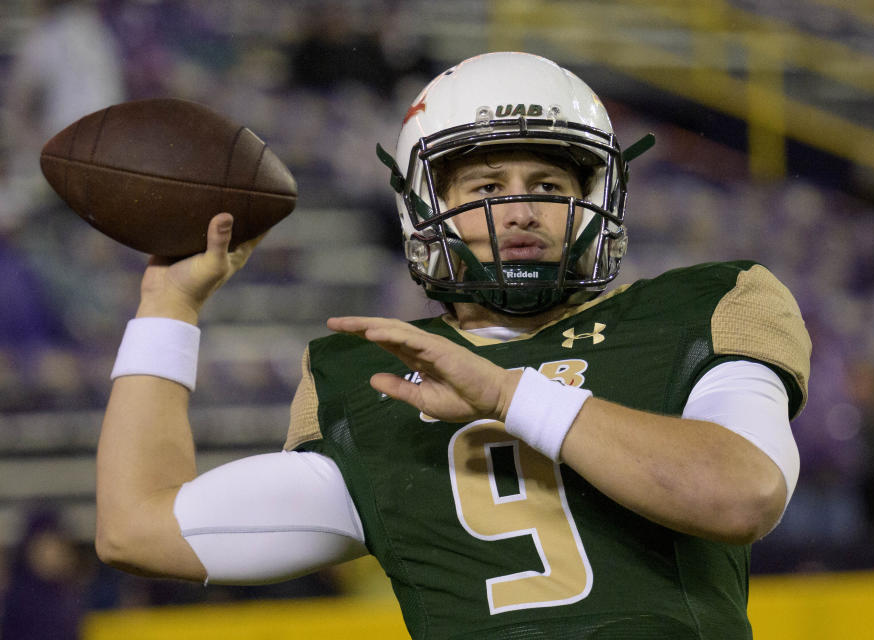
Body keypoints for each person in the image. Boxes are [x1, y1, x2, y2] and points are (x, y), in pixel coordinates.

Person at [95, 52, 810, 639]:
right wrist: (169, 305)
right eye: (489, 187)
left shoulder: (701, 308)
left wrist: (507, 392)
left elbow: (742, 494)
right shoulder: (368, 380)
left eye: (550, 183)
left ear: (599, 199)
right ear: (423, 207)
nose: (523, 211)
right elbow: (137, 529)